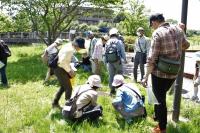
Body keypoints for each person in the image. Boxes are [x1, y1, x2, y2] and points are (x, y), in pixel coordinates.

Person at [142, 13, 190, 133]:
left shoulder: (157, 33)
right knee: (160, 96)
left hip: (159, 73)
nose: (152, 27)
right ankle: (157, 117)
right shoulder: (178, 30)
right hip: (174, 72)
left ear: (154, 22)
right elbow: (186, 45)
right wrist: (182, 32)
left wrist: (145, 76)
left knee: (160, 100)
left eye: (151, 25)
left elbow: (152, 58)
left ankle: (162, 128)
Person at [52, 37, 86, 109]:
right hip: (60, 68)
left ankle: (55, 103)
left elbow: (65, 61)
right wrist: (70, 71)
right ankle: (68, 108)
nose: (79, 49)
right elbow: (62, 62)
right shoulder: (69, 50)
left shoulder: (69, 45)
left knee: (63, 87)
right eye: (79, 47)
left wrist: (70, 68)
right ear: (76, 44)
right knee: (69, 88)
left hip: (60, 68)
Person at [105, 28, 127, 95]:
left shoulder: (107, 42)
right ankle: (120, 90)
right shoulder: (119, 42)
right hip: (118, 61)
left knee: (111, 76)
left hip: (110, 62)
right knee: (120, 75)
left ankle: (112, 90)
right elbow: (122, 52)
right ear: (116, 34)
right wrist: (125, 59)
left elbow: (105, 53)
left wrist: (106, 61)